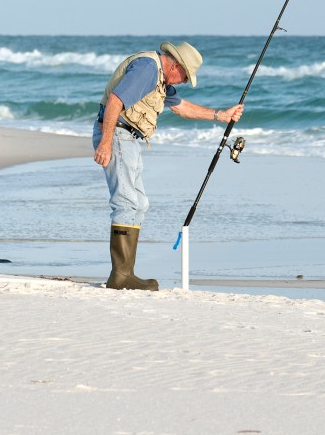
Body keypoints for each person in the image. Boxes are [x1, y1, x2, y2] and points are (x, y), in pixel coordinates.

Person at [93, 41, 243, 290]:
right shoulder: (148, 69)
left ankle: (125, 273)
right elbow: (115, 101)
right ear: (175, 65)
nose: (184, 81)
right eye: (185, 75)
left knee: (139, 203)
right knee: (127, 202)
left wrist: (221, 115)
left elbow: (182, 107)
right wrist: (105, 143)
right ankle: (120, 276)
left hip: (128, 139)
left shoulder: (162, 78)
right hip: (118, 135)